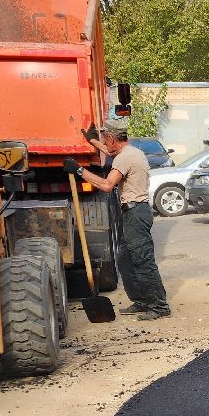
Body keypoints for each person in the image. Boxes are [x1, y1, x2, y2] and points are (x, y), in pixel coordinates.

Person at [64, 116, 171, 321]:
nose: (104, 143)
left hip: (136, 213)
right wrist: (92, 140)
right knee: (124, 260)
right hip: (132, 213)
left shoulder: (125, 158)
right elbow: (108, 152)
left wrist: (80, 170)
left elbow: (106, 186)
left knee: (142, 260)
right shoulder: (131, 152)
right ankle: (141, 300)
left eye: (105, 139)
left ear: (113, 138)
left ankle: (159, 305)